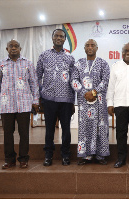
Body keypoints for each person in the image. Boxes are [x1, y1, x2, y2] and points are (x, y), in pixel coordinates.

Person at [0, 39, 39, 169]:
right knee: (7, 134)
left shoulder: (27, 64)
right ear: (7, 49)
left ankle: (23, 159)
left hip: (24, 105)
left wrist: (35, 101)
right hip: (6, 105)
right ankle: (9, 160)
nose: (14, 48)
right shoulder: (1, 64)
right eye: (11, 46)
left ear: (20, 48)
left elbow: (34, 84)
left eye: (16, 46)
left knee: (24, 134)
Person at [36, 29, 75, 166]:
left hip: (66, 100)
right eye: (56, 36)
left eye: (61, 36)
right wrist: (41, 95)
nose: (59, 38)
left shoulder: (70, 58)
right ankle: (48, 155)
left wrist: (72, 102)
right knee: (49, 128)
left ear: (65, 40)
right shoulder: (44, 55)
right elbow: (37, 77)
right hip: (49, 99)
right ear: (52, 38)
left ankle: (65, 155)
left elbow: (73, 80)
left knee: (66, 129)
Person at [71, 39, 110, 165]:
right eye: (87, 45)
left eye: (92, 45)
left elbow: (106, 80)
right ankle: (86, 156)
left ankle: (100, 155)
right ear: (84, 48)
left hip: (99, 102)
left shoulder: (103, 63)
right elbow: (73, 80)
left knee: (100, 128)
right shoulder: (78, 63)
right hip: (84, 102)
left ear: (97, 48)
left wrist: (93, 92)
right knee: (84, 128)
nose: (90, 47)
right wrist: (84, 93)